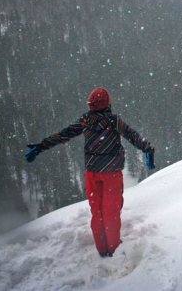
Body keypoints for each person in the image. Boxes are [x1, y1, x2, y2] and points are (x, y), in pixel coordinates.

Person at [24, 87, 155, 257]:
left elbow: (64, 134)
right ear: (108, 104)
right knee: (111, 212)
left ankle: (102, 249)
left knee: (98, 213)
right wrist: (148, 149)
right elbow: (132, 136)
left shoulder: (85, 120)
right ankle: (113, 249)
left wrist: (41, 146)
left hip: (92, 174)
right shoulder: (114, 121)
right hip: (111, 173)